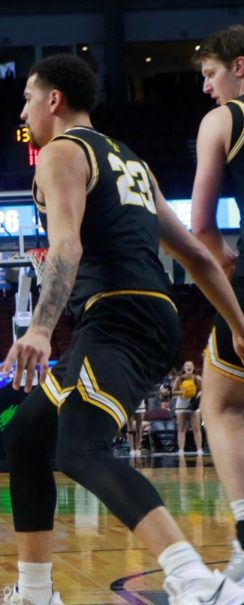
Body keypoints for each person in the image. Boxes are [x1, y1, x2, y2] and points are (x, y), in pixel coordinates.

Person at [0, 54, 244, 604]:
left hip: (117, 314)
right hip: (152, 314)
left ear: (54, 100)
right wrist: (239, 324)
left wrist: (41, 328)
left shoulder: (61, 151)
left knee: (81, 448)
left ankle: (196, 583)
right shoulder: (130, 160)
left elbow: (66, 245)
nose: (25, 109)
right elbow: (197, 258)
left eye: (28, 98)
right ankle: (36, 594)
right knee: (25, 435)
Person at [191, 25, 244, 583]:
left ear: (240, 67)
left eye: (210, 74)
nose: (207, 87)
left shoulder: (225, 119)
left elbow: (201, 225)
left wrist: (225, 258)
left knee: (224, 406)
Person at [171, 361, 203, 455]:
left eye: (191, 365)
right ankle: (181, 450)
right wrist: (183, 392)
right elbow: (173, 392)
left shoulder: (197, 378)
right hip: (181, 403)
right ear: (184, 368)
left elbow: (202, 390)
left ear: (193, 368)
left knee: (196, 428)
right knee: (181, 428)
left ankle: (199, 449)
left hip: (193, 403)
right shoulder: (179, 379)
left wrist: (196, 395)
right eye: (187, 365)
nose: (189, 367)